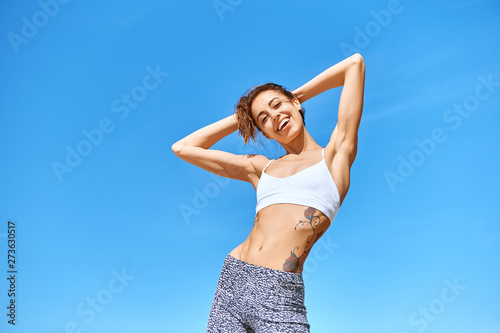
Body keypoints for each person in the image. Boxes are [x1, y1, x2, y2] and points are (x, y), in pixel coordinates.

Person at [171, 53, 365, 332]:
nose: (275, 116)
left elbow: (354, 64)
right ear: (265, 133)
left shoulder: (335, 156)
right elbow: (183, 148)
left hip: (280, 293)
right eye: (265, 119)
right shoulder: (260, 169)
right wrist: (246, 118)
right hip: (233, 282)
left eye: (278, 106)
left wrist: (293, 96)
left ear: (296, 104)